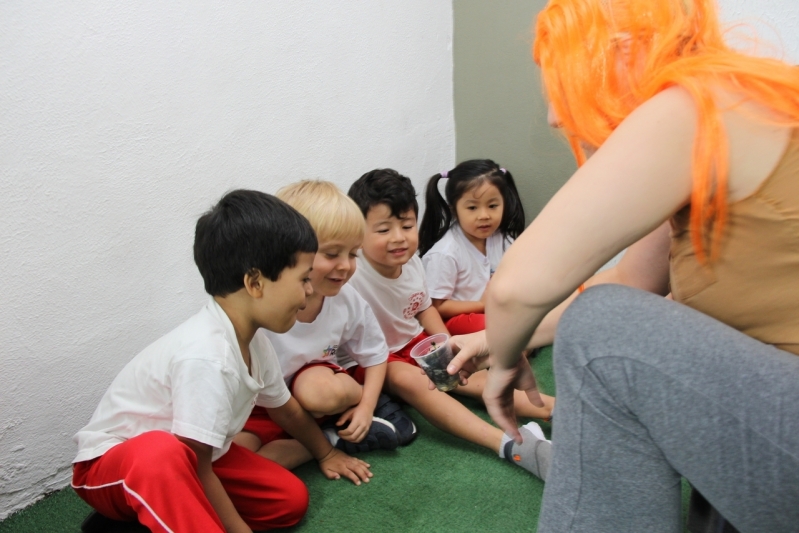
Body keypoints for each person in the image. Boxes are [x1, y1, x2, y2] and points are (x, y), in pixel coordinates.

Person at [450, 0, 799, 531]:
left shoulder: (693, 106)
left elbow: (515, 287)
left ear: (627, 50)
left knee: (600, 328)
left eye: (560, 76)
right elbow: (628, 282)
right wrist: (498, 340)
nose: (551, 114)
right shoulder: (733, 109)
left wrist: (503, 362)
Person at [71, 190, 372, 533]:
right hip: (115, 466)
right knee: (162, 453)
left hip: (193, 459)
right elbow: (194, 461)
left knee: (287, 501)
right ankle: (137, 507)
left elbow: (284, 409)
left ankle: (146, 517)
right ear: (255, 283)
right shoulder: (207, 355)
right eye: (303, 278)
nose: (308, 291)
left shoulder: (254, 342)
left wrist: (326, 453)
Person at [346, 168, 553, 478]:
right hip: (375, 359)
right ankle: (510, 445)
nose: (399, 238)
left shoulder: (411, 261)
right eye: (383, 229)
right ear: (357, 233)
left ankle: (557, 409)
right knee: (411, 380)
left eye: (407, 225)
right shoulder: (353, 270)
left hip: (414, 343)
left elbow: (425, 307)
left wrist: (446, 344)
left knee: (465, 371)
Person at [235, 181, 416, 466]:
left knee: (317, 390)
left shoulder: (346, 299)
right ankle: (333, 438)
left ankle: (365, 414)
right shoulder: (262, 305)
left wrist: (367, 407)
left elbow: (375, 354)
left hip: (318, 393)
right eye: (332, 254)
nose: (345, 265)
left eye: (353, 254)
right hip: (267, 407)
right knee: (238, 462)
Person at [418, 159, 525, 336]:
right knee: (506, 326)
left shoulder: (504, 239)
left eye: (492, 206)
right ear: (454, 210)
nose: (484, 215)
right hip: (460, 319)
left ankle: (510, 347)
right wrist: (481, 305)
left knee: (531, 313)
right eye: (472, 208)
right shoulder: (445, 253)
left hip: (496, 311)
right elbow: (437, 307)